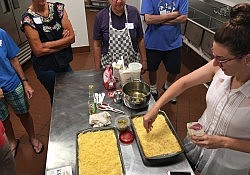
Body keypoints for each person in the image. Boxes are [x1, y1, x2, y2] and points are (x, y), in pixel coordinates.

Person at [143, 3, 250, 175]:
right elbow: (184, 83)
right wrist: (156, 107)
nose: (214, 63)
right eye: (214, 55)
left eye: (221, 59)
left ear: (247, 59)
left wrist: (223, 142)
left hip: (225, 166)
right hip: (196, 146)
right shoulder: (220, 67)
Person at [0, 28, 44, 157]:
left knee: (23, 113)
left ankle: (33, 137)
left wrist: (25, 82)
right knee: (4, 119)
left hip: (12, 83)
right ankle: (12, 142)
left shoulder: (2, 33)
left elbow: (13, 59)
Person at [21, 0, 75, 104]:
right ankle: (59, 120)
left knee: (71, 90)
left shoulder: (58, 8)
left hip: (63, 61)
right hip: (46, 67)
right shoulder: (28, 19)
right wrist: (63, 43)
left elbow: (71, 38)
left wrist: (47, 44)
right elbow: (38, 51)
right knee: (57, 97)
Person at [141, 0, 188, 102]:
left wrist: (158, 20)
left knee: (174, 70)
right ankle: (153, 89)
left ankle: (167, 87)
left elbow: (184, 17)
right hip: (153, 42)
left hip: (174, 42)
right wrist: (173, 15)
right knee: (152, 69)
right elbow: (148, 19)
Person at [93, 0, 147, 73]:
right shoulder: (101, 16)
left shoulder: (133, 12)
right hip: (109, 66)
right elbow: (97, 45)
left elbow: (140, 39)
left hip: (131, 65)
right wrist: (97, 69)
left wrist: (144, 60)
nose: (118, 1)